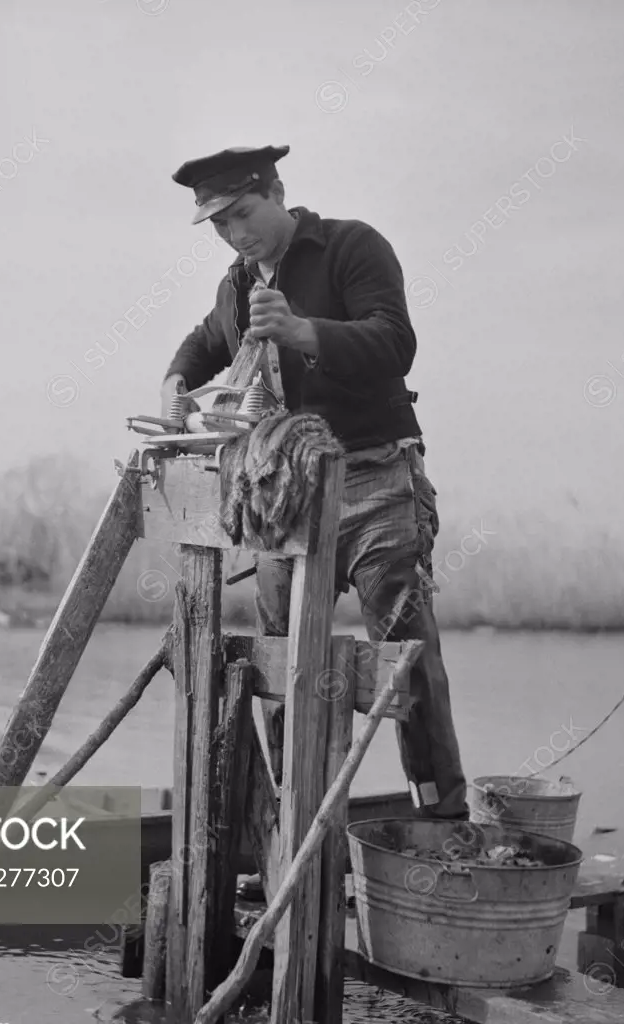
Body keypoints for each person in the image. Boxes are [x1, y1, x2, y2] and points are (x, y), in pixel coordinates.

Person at [160, 144, 468, 823]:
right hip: (286, 499)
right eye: (219, 225)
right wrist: (178, 376)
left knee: (404, 653)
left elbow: (394, 342)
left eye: (243, 213)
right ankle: (296, 819)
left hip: (376, 478)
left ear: (275, 191)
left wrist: (302, 331)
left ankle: (439, 811)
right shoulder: (238, 285)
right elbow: (210, 336)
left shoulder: (352, 247)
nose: (236, 234)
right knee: (280, 660)